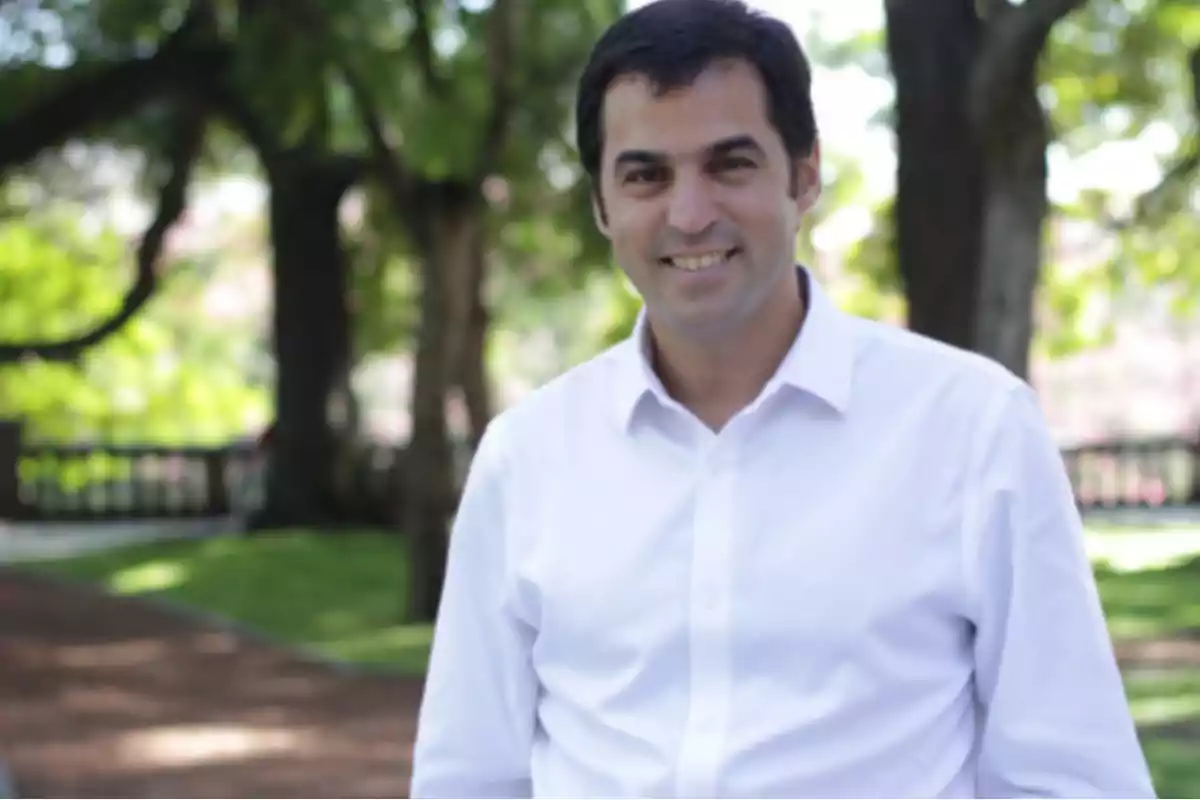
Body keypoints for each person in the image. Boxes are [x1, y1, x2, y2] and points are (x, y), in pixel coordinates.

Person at [408, 0, 1156, 796]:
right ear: (600, 203)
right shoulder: (528, 458)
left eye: (730, 164)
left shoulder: (972, 429)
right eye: (645, 175)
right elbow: (470, 777)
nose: (689, 214)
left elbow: (1074, 777)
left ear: (805, 176)